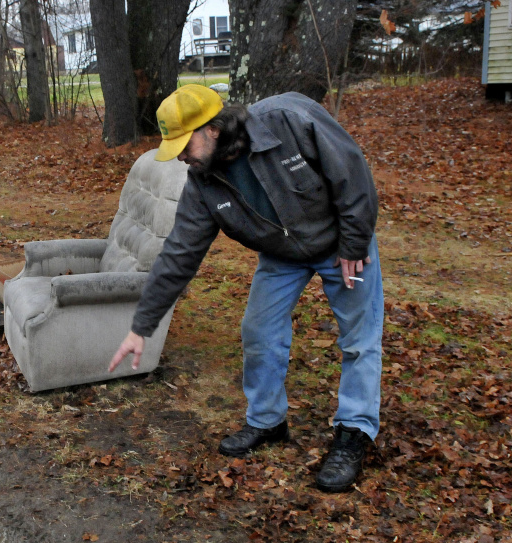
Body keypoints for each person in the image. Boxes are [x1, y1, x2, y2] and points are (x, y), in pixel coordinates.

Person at [108, 84, 383, 492]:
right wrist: (140, 327)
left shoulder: (288, 119)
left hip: (343, 242)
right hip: (282, 254)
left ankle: (353, 433)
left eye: (185, 143)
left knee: (359, 337)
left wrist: (355, 243)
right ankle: (267, 421)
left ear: (213, 128)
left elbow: (351, 171)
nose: (181, 156)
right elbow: (179, 255)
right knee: (258, 330)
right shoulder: (204, 182)